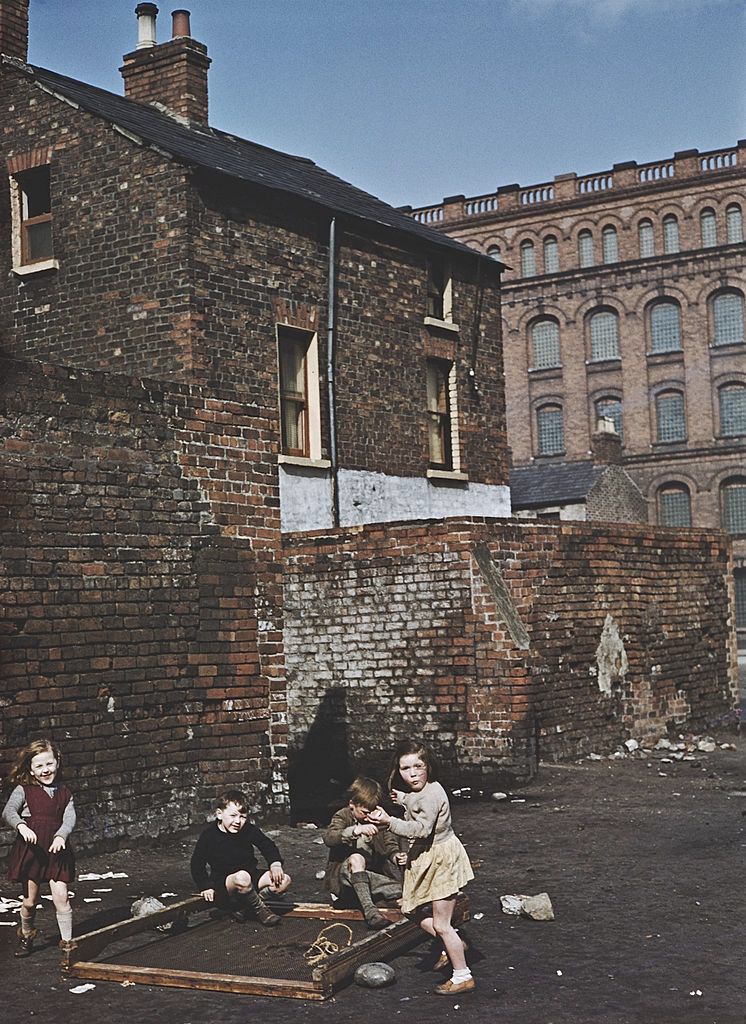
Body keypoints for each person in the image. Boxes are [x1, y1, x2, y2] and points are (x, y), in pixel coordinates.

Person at [367, 739, 475, 996]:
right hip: (429, 856)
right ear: (398, 771)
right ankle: (455, 943)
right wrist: (404, 799)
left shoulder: (431, 794)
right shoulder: (421, 792)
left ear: (428, 766)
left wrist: (388, 821)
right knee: (410, 908)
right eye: (406, 768)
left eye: (418, 766)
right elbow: (419, 802)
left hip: (440, 859)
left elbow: (421, 828)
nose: (413, 773)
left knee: (442, 924)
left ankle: (462, 975)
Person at [2, 738, 76, 958]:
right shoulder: (23, 790)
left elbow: (69, 818)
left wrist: (62, 835)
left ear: (57, 763)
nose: (45, 770)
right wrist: (22, 826)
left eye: (49, 764)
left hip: (56, 851)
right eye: (39, 766)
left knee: (62, 898)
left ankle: (68, 945)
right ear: (31, 770)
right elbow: (9, 812)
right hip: (32, 852)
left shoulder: (65, 792)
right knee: (30, 901)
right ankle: (26, 934)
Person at [190, 788, 291, 926]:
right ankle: (260, 910)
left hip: (250, 876)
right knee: (242, 877)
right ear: (219, 814)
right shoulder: (209, 835)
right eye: (233, 816)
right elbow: (197, 863)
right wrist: (205, 885)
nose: (238, 821)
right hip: (225, 882)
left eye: (242, 817)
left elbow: (267, 845)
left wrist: (275, 864)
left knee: (284, 881)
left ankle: (245, 908)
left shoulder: (248, 830)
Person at [323, 776, 405, 930]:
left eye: (371, 811)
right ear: (352, 804)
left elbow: (389, 844)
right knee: (356, 858)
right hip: (344, 881)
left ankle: (388, 899)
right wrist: (355, 830)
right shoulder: (343, 815)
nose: (368, 816)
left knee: (404, 897)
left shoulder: (376, 818)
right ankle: (370, 911)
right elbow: (329, 837)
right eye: (364, 812)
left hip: (370, 879)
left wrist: (396, 856)